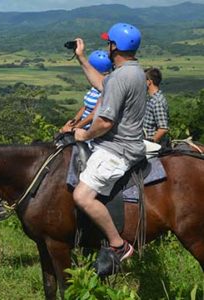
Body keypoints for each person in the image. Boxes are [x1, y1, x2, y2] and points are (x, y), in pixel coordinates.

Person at [72, 23, 147, 273]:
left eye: (109, 42)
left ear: (115, 46)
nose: (107, 46)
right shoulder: (134, 72)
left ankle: (118, 244)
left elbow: (104, 122)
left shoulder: (121, 77)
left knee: (81, 196)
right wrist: (82, 59)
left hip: (117, 149)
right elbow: (102, 84)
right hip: (130, 143)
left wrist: (84, 134)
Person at [60, 50, 112, 133]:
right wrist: (73, 122)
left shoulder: (106, 88)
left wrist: (73, 129)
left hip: (91, 131)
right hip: (81, 126)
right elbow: (86, 107)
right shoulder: (96, 85)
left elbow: (93, 114)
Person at [143, 67, 169, 144]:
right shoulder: (151, 99)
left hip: (152, 147)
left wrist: (150, 143)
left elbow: (163, 128)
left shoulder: (157, 102)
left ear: (149, 82)